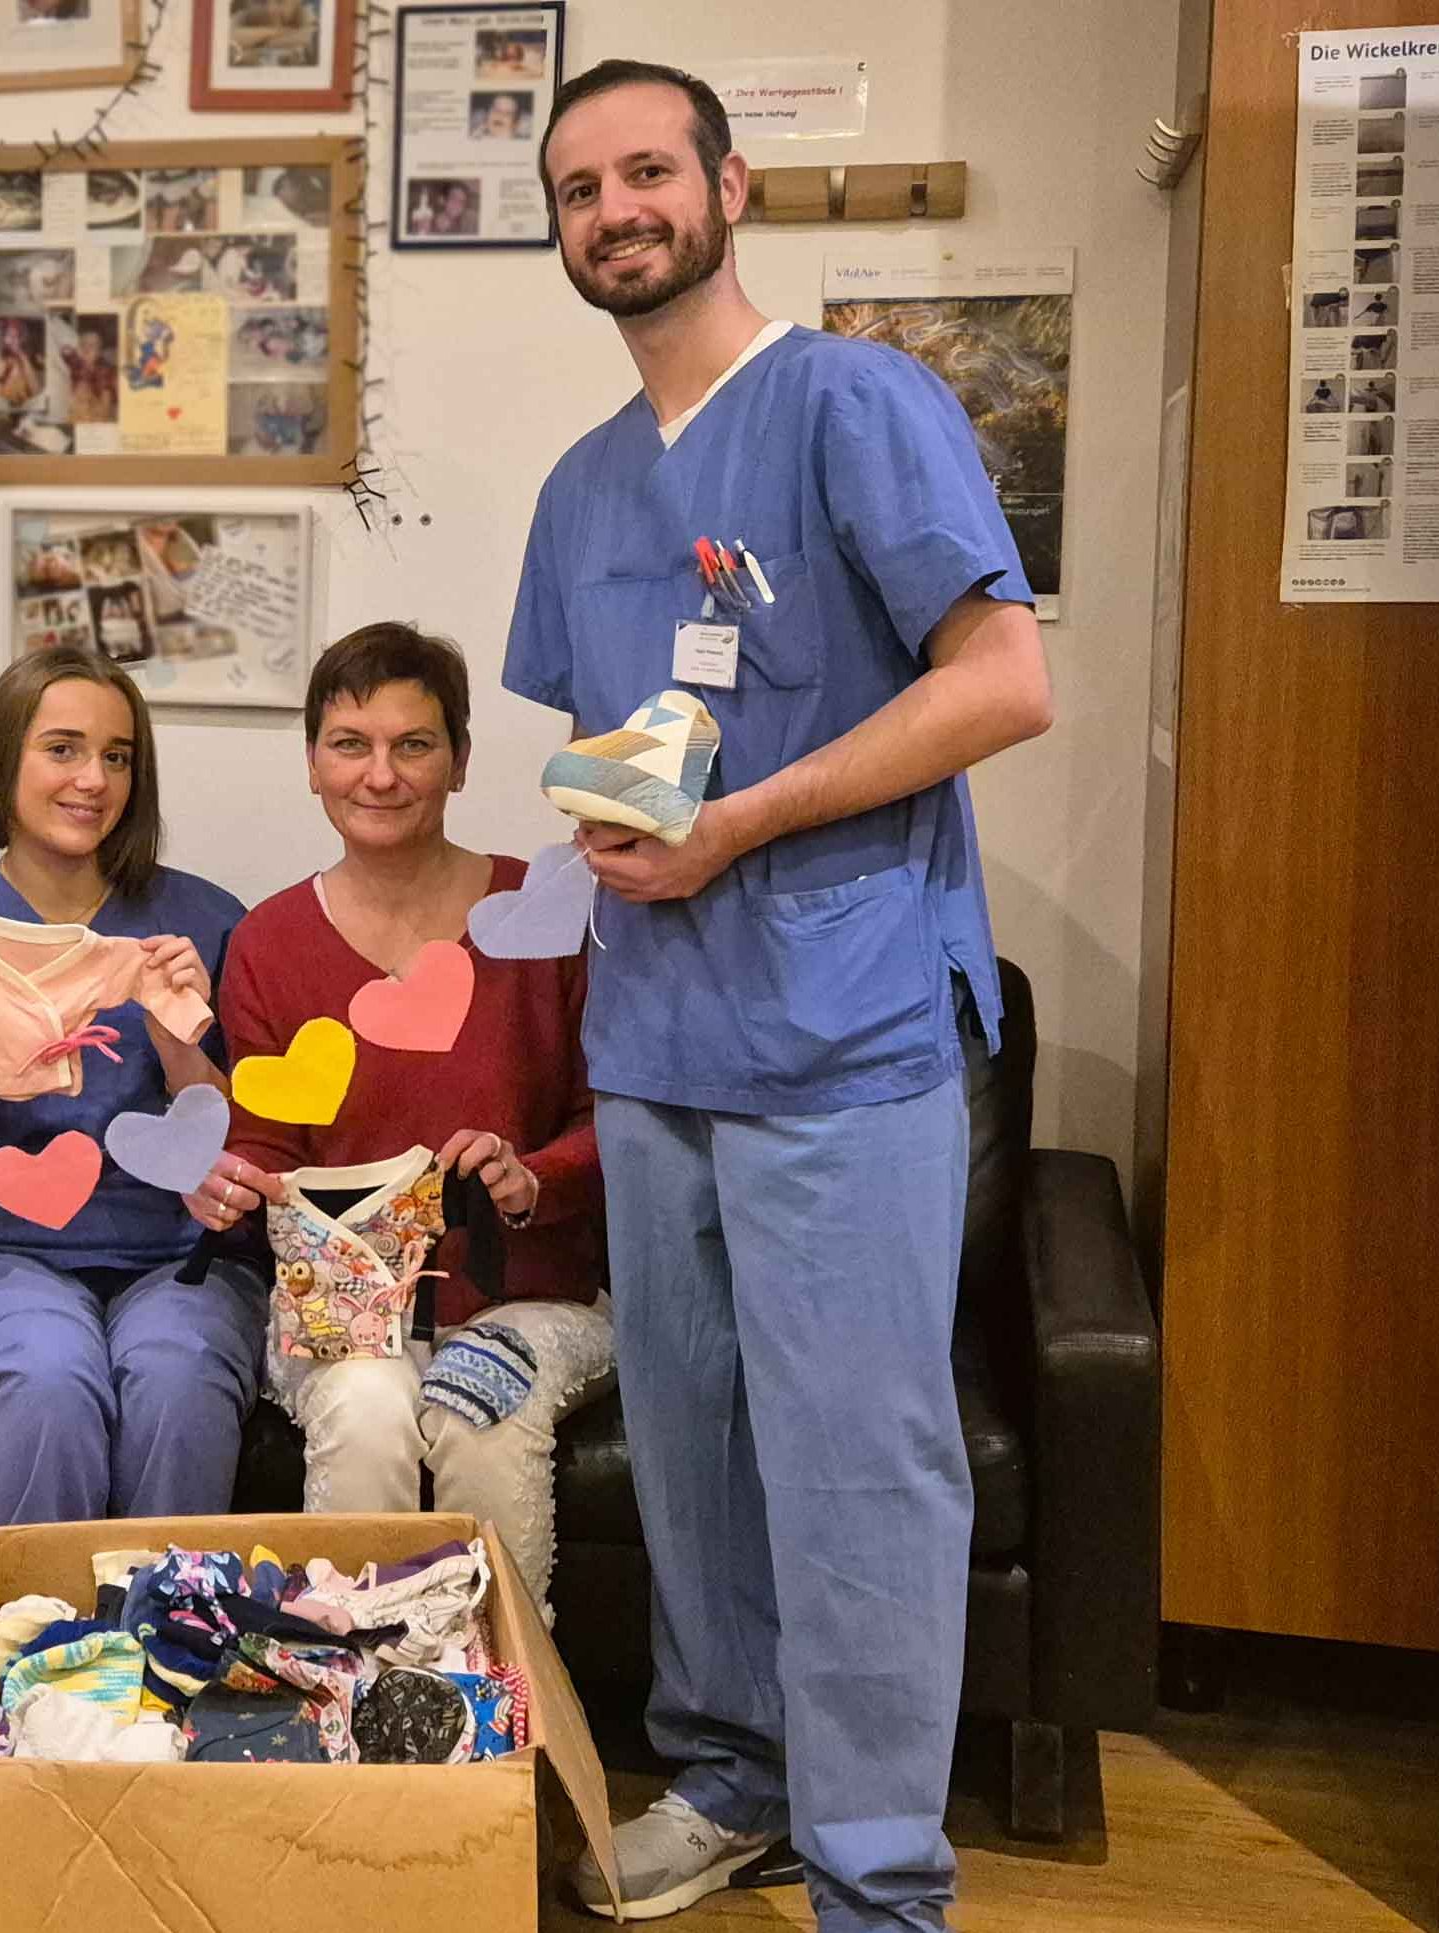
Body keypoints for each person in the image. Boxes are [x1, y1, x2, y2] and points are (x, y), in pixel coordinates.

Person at [512, 61, 1051, 1928]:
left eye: (644, 170)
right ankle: (727, 1775)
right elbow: (618, 732)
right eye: (576, 188)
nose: (612, 211)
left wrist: (734, 820)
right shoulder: (582, 486)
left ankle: (878, 1878)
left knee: (858, 1468)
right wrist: (623, 817)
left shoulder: (849, 401)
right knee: (691, 1450)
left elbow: (998, 683)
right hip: (652, 1038)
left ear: (725, 185)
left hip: (840, 1038)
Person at [205, 624, 607, 1619]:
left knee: (479, 1402)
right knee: (367, 1404)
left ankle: (505, 1718)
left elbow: (619, 1123)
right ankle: (350, 1706)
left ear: (459, 760)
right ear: (312, 764)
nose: (379, 774)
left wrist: (533, 1177)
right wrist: (230, 1177)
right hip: (341, 1303)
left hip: (533, 1297)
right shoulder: (266, 941)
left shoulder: (540, 909)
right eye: (349, 743)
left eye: (413, 744)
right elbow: (263, 1142)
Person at [0, 649, 256, 1529]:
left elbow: (237, 1152)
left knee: (177, 1376)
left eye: (117, 756)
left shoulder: (204, 922)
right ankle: (43, 1659)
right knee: (45, 1375)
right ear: (2, 763)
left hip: (177, 1259)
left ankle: (172, 1648)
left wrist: (178, 1031)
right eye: (63, 749)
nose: (93, 779)